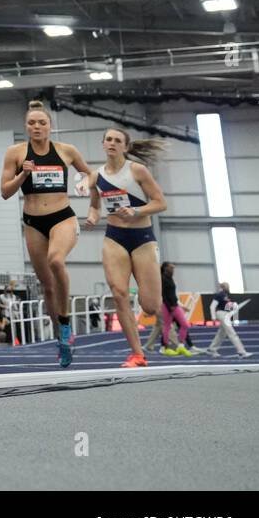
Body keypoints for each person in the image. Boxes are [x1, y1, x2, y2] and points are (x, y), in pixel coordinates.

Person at [0, 100, 92, 367]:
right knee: (47, 286)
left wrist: (93, 204)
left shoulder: (67, 151)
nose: (37, 127)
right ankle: (62, 337)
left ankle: (65, 323)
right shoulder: (15, 153)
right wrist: (22, 176)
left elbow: (91, 177)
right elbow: (5, 192)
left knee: (56, 260)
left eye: (42, 122)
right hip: (32, 222)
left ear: (50, 126)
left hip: (62, 217)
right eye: (32, 123)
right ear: (26, 127)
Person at [86, 127, 169, 368]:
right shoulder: (95, 176)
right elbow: (95, 206)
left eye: (117, 140)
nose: (112, 143)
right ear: (103, 144)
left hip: (142, 238)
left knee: (151, 306)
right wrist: (92, 217)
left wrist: (137, 211)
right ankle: (137, 354)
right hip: (114, 237)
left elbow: (160, 202)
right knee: (119, 294)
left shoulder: (137, 170)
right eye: (108, 139)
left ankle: (149, 334)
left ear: (125, 146)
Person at [158, 262, 199, 357]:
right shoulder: (162, 279)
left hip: (175, 305)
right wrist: (169, 306)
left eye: (173, 268)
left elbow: (172, 294)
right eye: (171, 267)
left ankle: (180, 345)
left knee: (184, 324)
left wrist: (178, 305)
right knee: (167, 327)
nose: (173, 269)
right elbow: (163, 294)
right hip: (167, 306)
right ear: (165, 268)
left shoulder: (170, 277)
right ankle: (165, 348)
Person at [207, 283, 252, 359]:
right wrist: (213, 316)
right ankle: (241, 352)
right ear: (222, 287)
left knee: (222, 333)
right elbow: (212, 306)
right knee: (232, 333)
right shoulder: (219, 294)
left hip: (225, 314)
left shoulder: (226, 295)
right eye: (226, 286)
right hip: (221, 314)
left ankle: (212, 349)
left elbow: (227, 307)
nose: (228, 287)